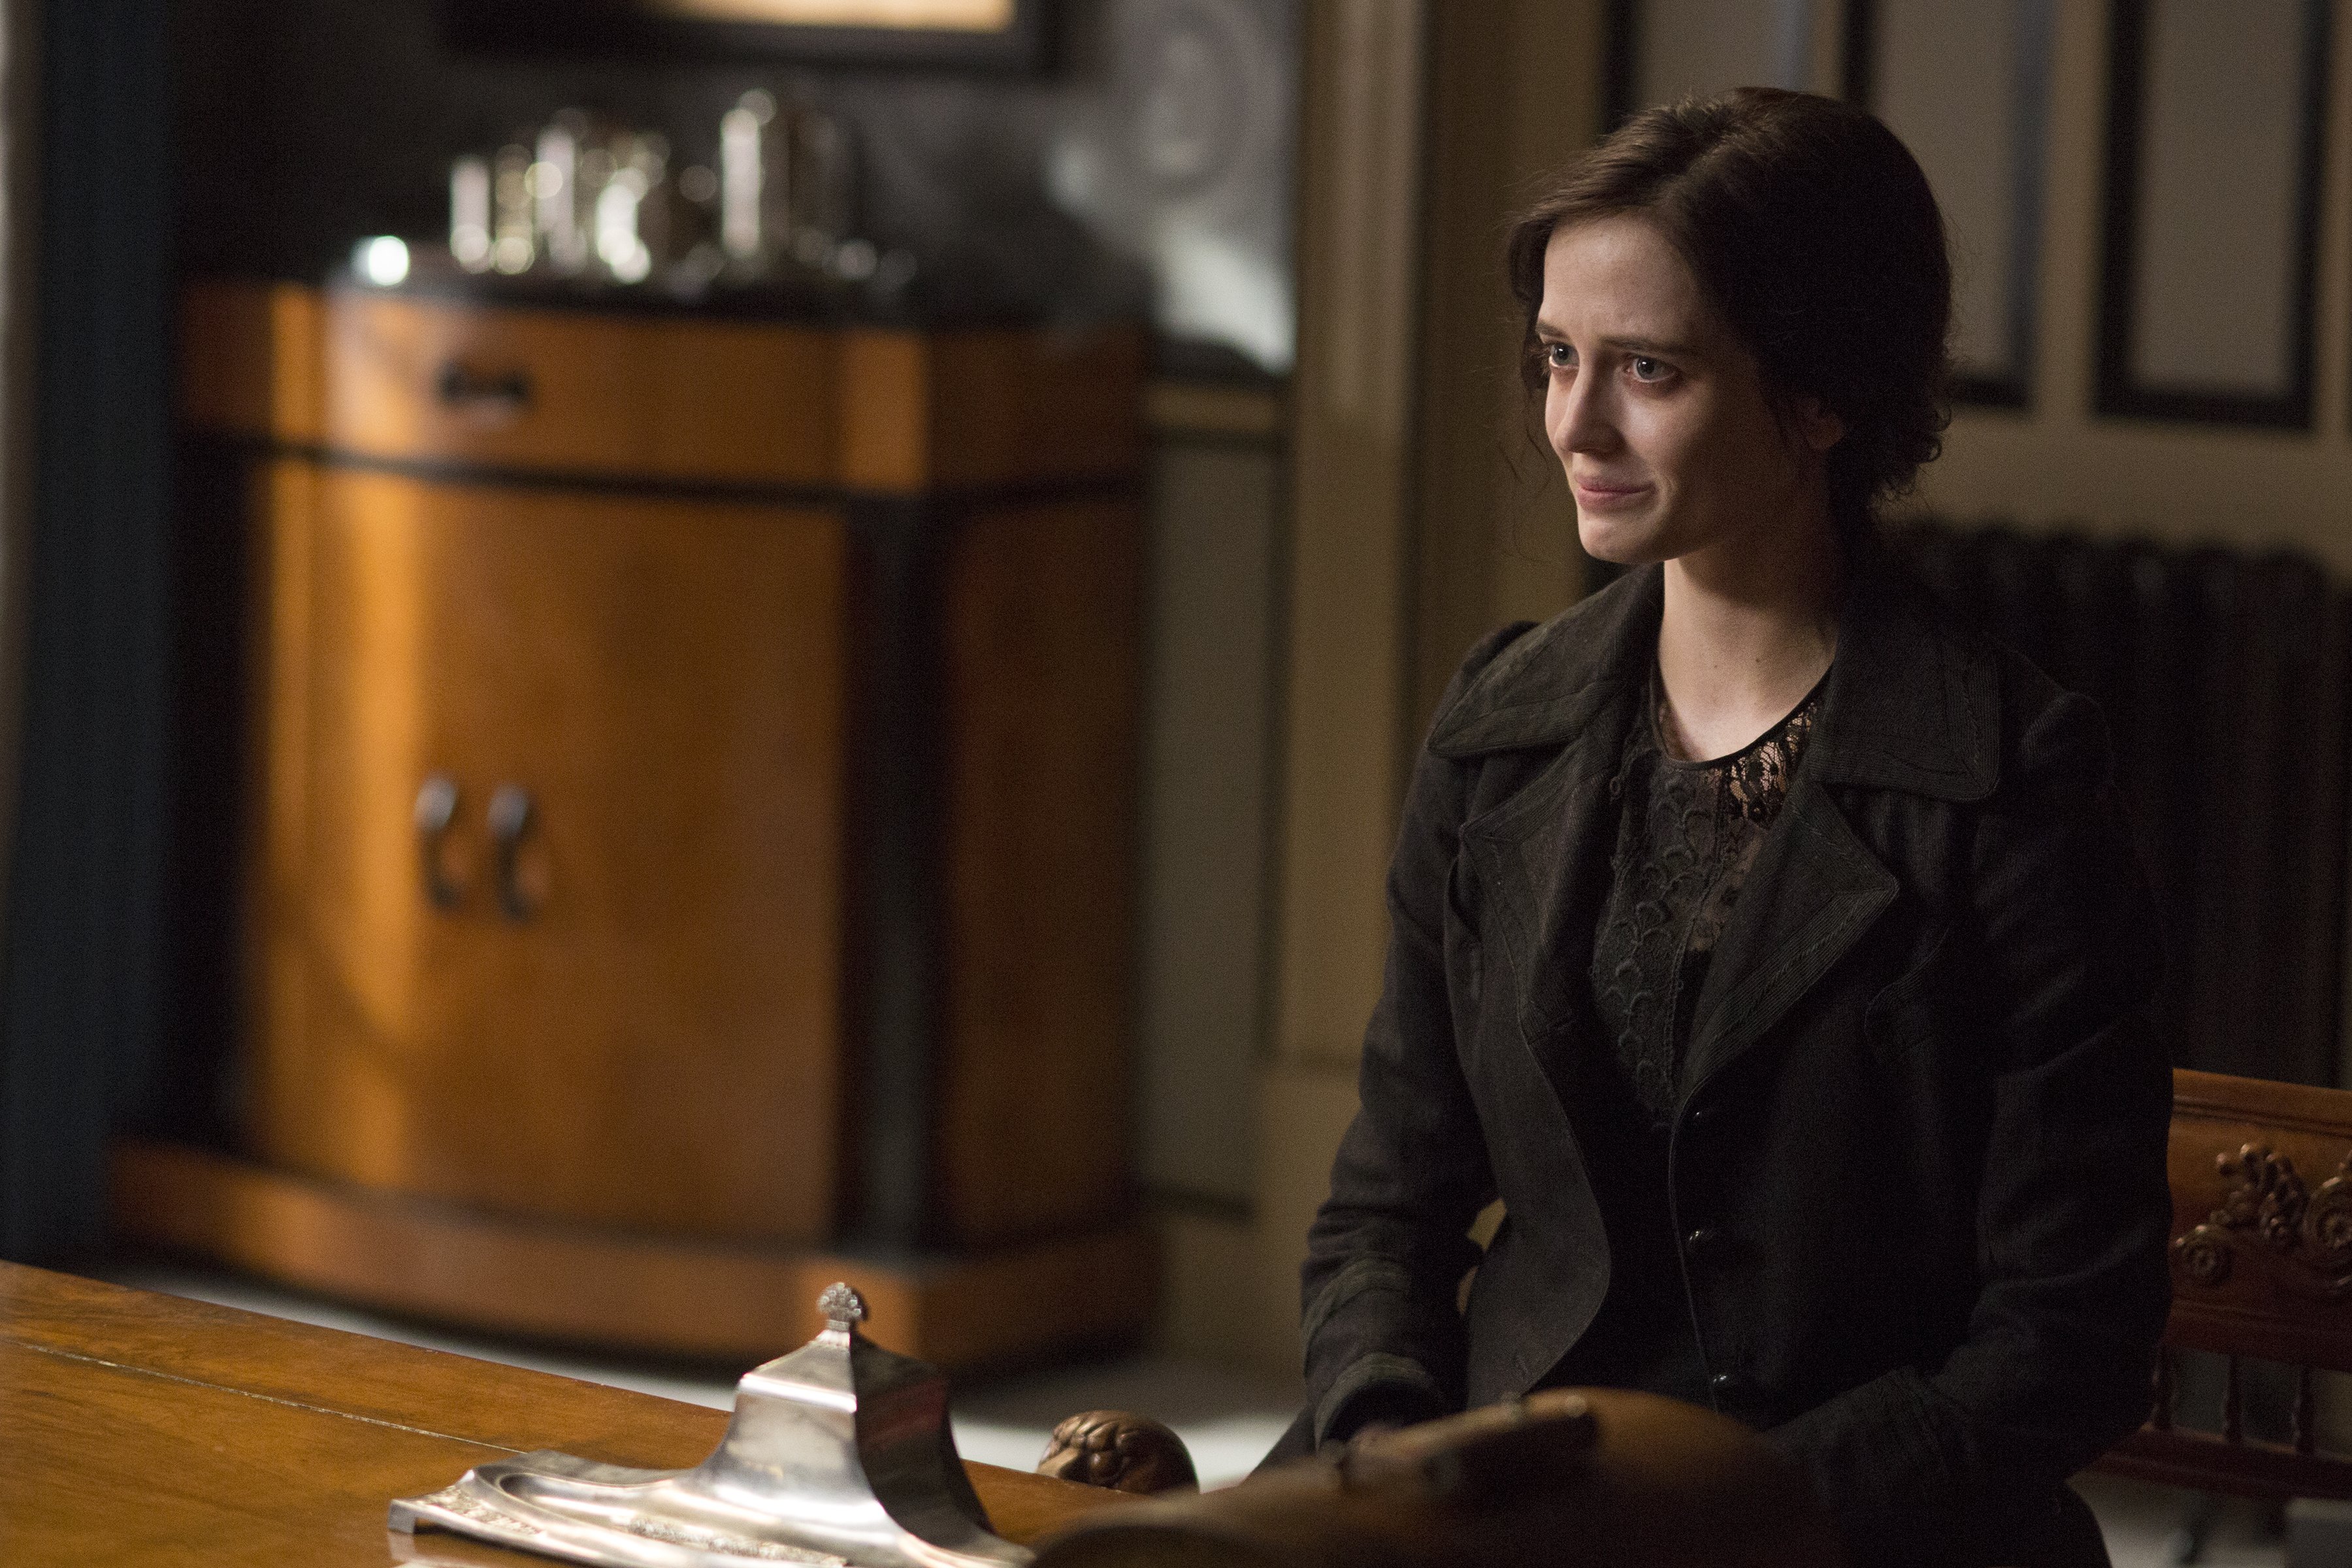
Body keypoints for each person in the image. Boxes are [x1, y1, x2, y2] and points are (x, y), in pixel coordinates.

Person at [1271, 89, 2172, 1568]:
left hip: (1851, 1532)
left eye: (1648, 369)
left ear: (1821, 398)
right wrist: (1394, 1464)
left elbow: (2065, 1339)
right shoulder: (1498, 727)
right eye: (1557, 357)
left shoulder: (2013, 785)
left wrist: (1704, 1523)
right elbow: (1386, 1214)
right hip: (1489, 1508)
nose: (1574, 423)